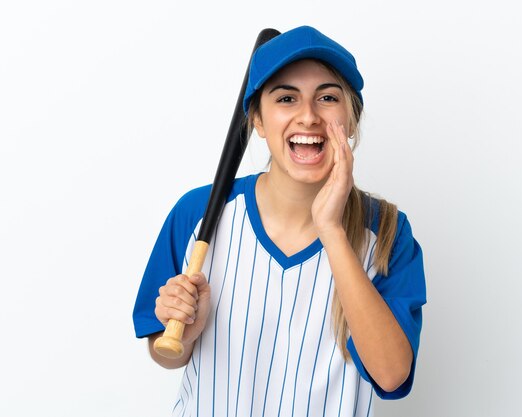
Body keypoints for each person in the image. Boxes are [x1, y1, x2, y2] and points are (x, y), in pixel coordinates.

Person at [133, 25, 427, 417]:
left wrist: (333, 231)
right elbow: (165, 352)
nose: (308, 116)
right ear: (256, 119)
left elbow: (391, 375)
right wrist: (185, 336)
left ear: (351, 120)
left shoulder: (388, 231)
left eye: (327, 97)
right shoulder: (199, 212)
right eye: (286, 98)